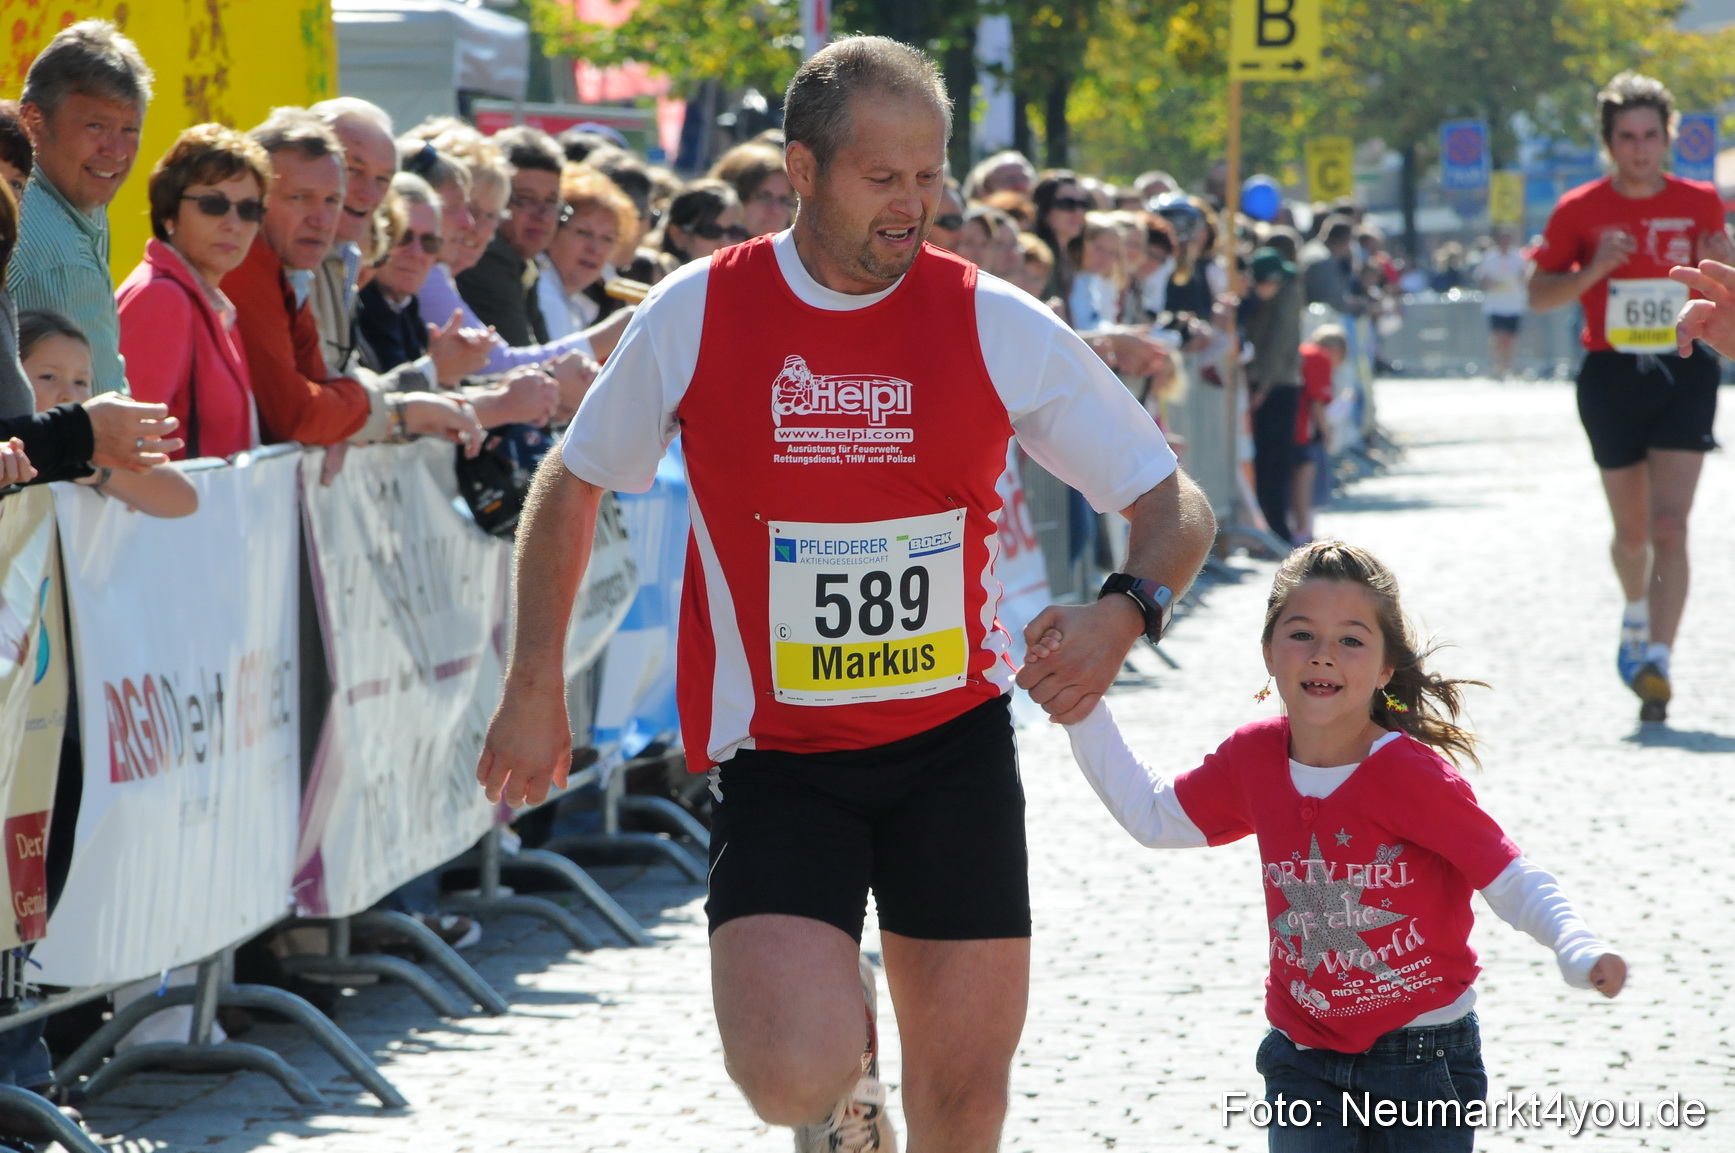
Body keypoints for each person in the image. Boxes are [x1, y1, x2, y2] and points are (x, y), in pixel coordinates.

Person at [475, 35, 1215, 1153]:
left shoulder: (988, 316)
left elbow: (1172, 503)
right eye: (884, 177)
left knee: (965, 1108)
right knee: (787, 1074)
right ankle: (842, 1076)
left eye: (930, 178)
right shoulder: (699, 310)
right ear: (804, 170)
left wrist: (1124, 611)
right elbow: (571, 481)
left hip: (951, 745)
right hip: (780, 760)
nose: (913, 206)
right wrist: (536, 686)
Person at [1045, 540, 1626, 1153]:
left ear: (1384, 670)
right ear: (1269, 652)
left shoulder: (1413, 777)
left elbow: (1509, 879)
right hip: (1301, 1062)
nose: (1324, 655)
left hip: (1421, 1065)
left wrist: (1575, 945)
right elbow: (1155, 816)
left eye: (1351, 640)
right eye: (1301, 634)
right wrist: (1081, 707)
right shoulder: (1253, 759)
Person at [1528, 70, 1731, 722]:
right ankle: (1635, 613)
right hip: (1610, 372)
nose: (1639, 149)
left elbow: (1721, 289)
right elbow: (1537, 294)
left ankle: (1657, 662)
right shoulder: (1578, 209)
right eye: (1626, 137)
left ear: (1668, 137)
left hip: (1684, 365)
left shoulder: (1700, 201)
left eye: (1650, 135)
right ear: (1608, 142)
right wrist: (1594, 268)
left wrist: (1725, 259)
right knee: (1633, 531)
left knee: (1671, 525)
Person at [225, 106, 481, 452]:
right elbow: (300, 414)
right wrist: (391, 415)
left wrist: (350, 415)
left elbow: (331, 382)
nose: (366, 194)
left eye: (332, 198)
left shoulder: (317, 260)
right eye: (301, 197)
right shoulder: (251, 266)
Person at [0, 128, 181, 483]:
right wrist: (80, 433)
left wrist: (87, 447)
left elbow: (183, 497)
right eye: (48, 376)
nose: (6, 199)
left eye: (17, 184)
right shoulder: (163, 293)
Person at [9, 20, 153, 397]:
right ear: (33, 121)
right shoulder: (59, 256)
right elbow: (101, 421)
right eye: (96, 126)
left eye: (130, 130)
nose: (116, 152)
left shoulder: (71, 199)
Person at [116, 123, 269, 460]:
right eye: (213, 205)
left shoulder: (209, 303)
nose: (233, 223)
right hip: (167, 511)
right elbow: (131, 446)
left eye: (249, 210)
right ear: (169, 211)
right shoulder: (161, 298)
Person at [20, 309, 195, 515]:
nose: (69, 395)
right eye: (49, 377)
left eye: (81, 382)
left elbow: (185, 499)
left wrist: (94, 471)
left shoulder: (88, 453)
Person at [457, 126, 564, 347]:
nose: (542, 215)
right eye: (525, 199)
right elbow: (524, 359)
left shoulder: (524, 260)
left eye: (551, 201)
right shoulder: (490, 256)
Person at [1243, 246, 1304, 543]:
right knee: (1264, 460)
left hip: (1277, 385)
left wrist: (1263, 386)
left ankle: (1276, 525)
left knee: (1274, 461)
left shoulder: (1288, 296)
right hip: (1266, 383)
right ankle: (1268, 525)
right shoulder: (1265, 298)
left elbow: (1279, 343)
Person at [535, 165, 636, 342]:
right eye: (583, 232)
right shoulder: (541, 292)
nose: (595, 249)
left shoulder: (575, 305)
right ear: (551, 229)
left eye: (607, 239)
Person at [1291, 326, 1347, 543]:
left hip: (1288, 424)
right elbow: (1317, 402)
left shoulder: (1304, 352)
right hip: (1302, 428)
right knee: (1304, 479)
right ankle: (1303, 529)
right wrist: (1326, 433)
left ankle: (1301, 528)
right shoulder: (1318, 357)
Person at [711, 141, 796, 238]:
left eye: (783, 200)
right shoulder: (707, 249)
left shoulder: (795, 251)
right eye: (763, 197)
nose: (775, 210)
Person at [1475, 226, 1527, 380]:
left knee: (1509, 339)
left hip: (1513, 304)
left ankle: (1507, 367)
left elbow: (1525, 276)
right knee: (1498, 337)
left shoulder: (1518, 257)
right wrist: (1491, 283)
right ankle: (1497, 366)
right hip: (1495, 304)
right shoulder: (1489, 257)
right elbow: (1481, 277)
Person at [654, 179, 747, 265]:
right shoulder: (656, 276)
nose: (725, 243)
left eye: (735, 232)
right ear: (677, 234)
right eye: (711, 231)